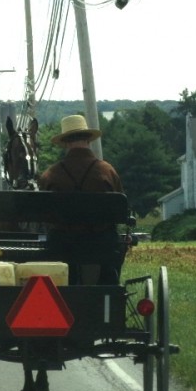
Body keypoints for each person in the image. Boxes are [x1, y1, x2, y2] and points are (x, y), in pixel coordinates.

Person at [38, 115, 126, 285]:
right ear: (88, 140)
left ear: (65, 143)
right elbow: (120, 211)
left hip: (61, 246)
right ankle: (108, 287)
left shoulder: (50, 175)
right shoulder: (107, 171)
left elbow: (42, 214)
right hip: (101, 245)